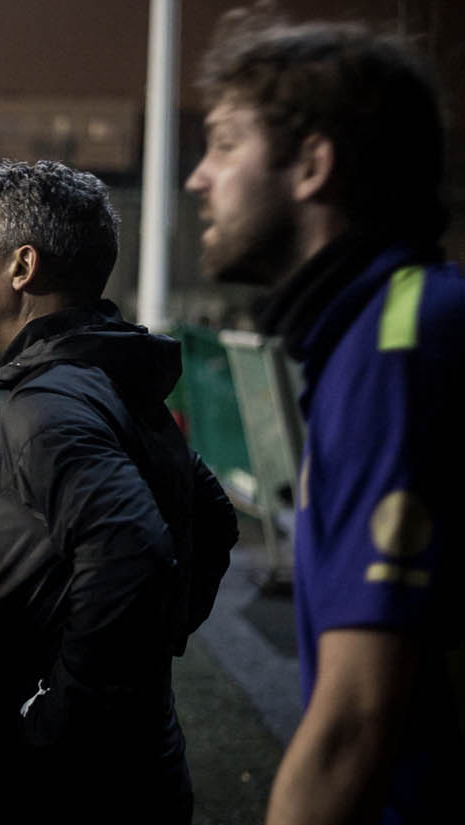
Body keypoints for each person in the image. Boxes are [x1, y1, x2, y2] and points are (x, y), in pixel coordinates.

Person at [186, 10, 463, 823]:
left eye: (224, 144)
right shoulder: (379, 328)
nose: (198, 177)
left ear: (311, 165)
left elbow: (353, 722)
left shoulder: (399, 347)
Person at [0, 160, 237, 823]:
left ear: (22, 268)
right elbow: (212, 514)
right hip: (134, 764)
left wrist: (63, 718)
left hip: (74, 789)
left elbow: (132, 549)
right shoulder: (106, 376)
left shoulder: (51, 403)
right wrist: (149, 652)